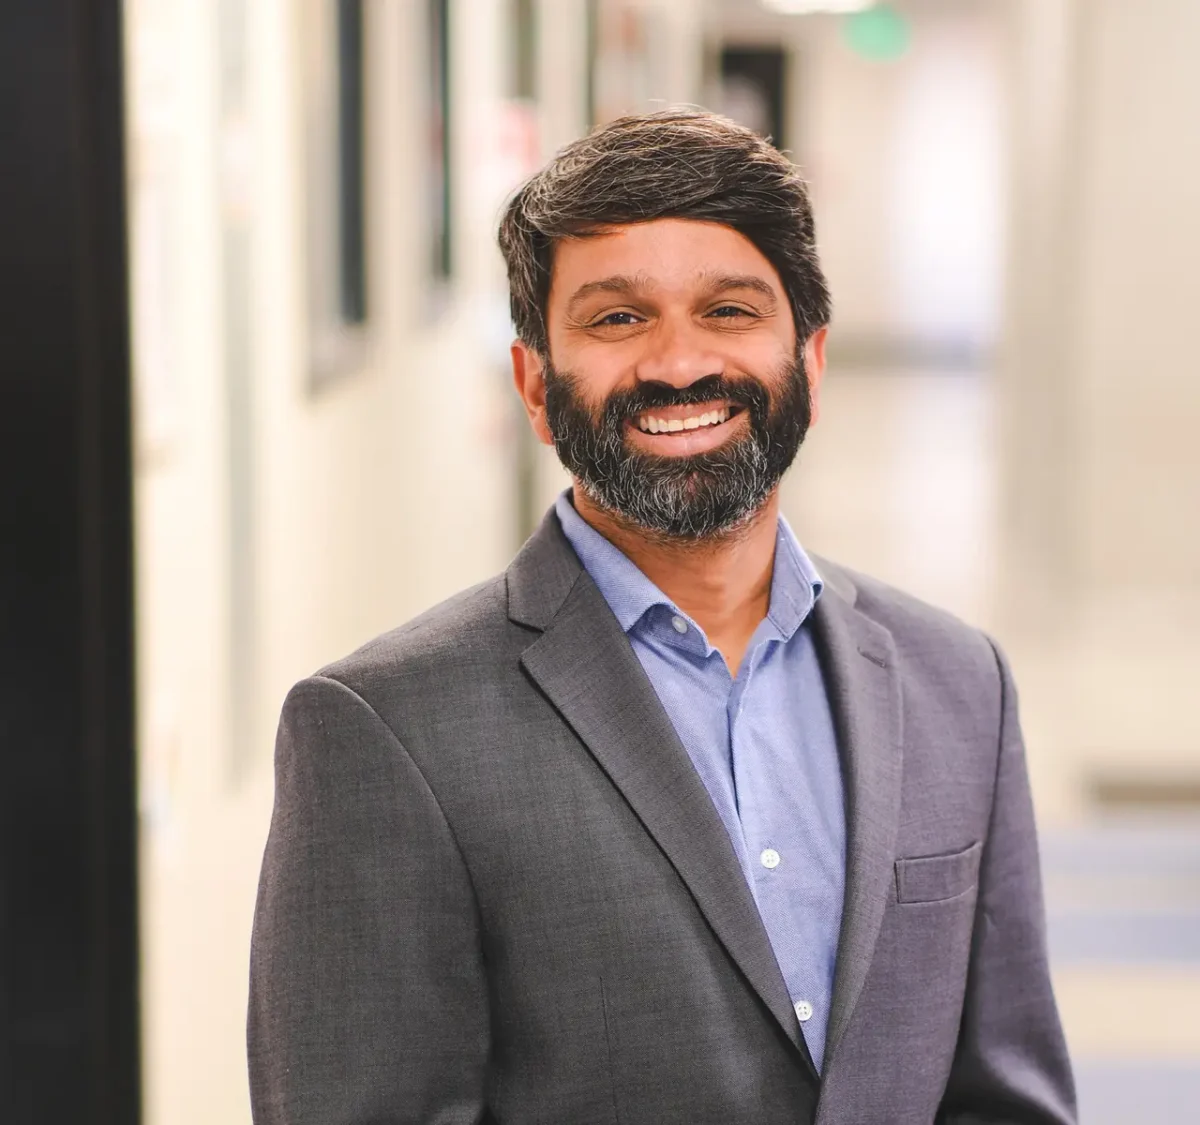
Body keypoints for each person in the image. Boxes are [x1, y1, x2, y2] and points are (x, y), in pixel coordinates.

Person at [248, 110, 1076, 1124]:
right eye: (617, 319)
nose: (680, 364)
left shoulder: (958, 682)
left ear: (809, 361)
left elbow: (1007, 1100)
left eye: (730, 310)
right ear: (536, 388)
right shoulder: (386, 730)